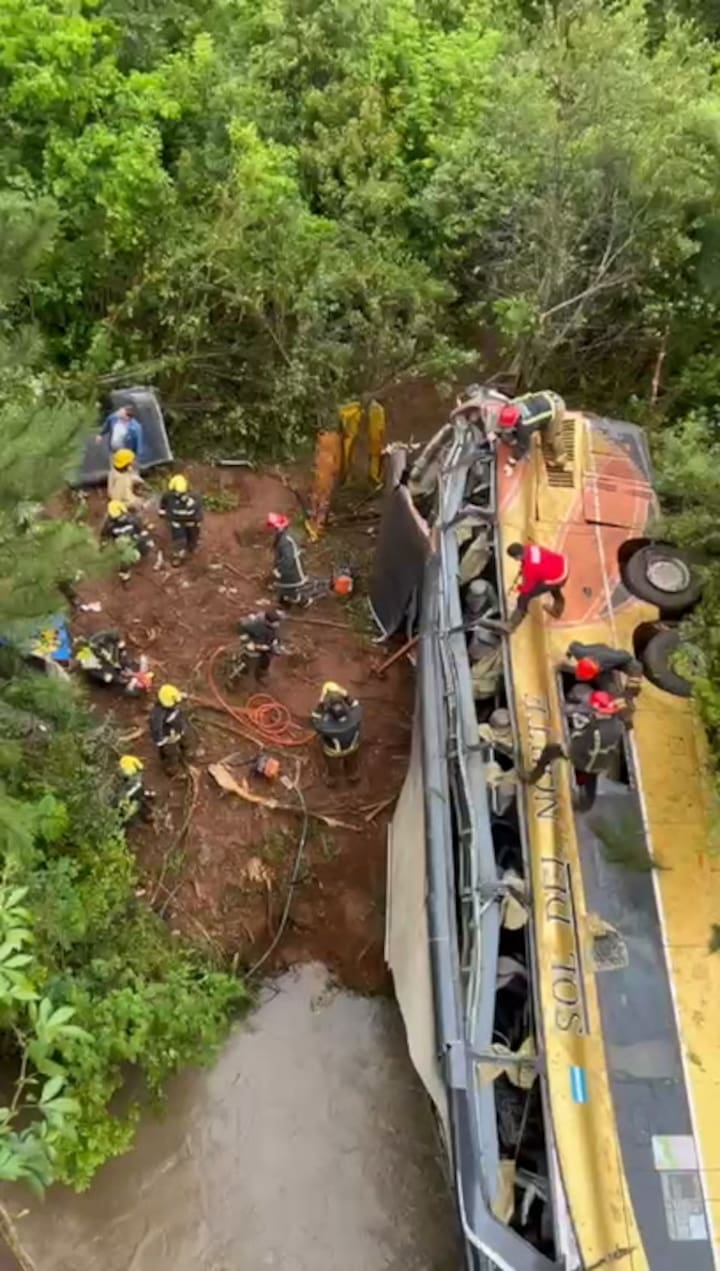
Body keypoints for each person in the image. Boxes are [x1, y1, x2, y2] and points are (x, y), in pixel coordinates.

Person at [521, 689, 626, 810]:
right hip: (602, 762)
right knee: (590, 781)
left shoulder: (595, 731)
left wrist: (568, 741)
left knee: (550, 750)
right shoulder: (618, 725)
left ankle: (533, 776)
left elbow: (577, 747)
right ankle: (585, 805)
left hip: (585, 760)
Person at [496, 391, 568, 472]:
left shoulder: (526, 424)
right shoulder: (511, 404)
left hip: (556, 406)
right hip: (544, 396)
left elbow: (522, 446)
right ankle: (543, 423)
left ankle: (561, 459)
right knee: (541, 427)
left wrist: (511, 464)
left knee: (551, 437)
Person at [506, 541, 569, 631]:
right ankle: (557, 611)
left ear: (517, 557)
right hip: (560, 564)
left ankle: (512, 624)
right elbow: (529, 563)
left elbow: (526, 589)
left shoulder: (531, 568)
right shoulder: (530, 547)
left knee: (524, 597)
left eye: (514, 558)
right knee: (551, 585)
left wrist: (520, 589)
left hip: (558, 577)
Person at [311, 681, 362, 786]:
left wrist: (321, 702)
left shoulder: (327, 727)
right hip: (352, 747)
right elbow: (355, 704)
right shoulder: (356, 716)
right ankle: (353, 775)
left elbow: (315, 718)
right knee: (352, 762)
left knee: (332, 766)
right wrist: (345, 694)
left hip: (334, 752)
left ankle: (332, 780)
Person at [561, 641, 643, 703]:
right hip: (600, 665)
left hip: (611, 663)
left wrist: (632, 685)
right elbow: (573, 645)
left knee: (636, 667)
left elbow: (627, 656)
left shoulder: (611, 658)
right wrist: (568, 655)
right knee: (612, 691)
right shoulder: (580, 652)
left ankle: (629, 695)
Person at [74, 630, 152, 694]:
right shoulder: (86, 659)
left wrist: (123, 652)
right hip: (101, 668)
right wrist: (114, 678)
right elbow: (94, 672)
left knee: (123, 662)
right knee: (108, 679)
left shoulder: (103, 638)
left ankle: (123, 668)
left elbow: (116, 638)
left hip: (111, 658)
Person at [101, 501, 154, 580]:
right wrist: (103, 546)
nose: (120, 519)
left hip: (135, 539)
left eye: (121, 516)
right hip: (122, 545)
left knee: (147, 545)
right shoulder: (109, 525)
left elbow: (142, 530)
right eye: (116, 517)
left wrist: (146, 538)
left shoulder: (133, 519)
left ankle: (141, 554)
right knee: (129, 556)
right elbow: (104, 536)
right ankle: (124, 570)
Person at [266, 512, 310, 605]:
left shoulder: (285, 541)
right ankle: (284, 599)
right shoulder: (285, 536)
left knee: (290, 588)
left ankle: (303, 601)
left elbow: (288, 559)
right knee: (285, 587)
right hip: (289, 568)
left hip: (292, 570)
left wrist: (279, 570)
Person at [159, 475, 203, 562]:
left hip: (192, 521)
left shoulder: (195, 496)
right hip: (177, 522)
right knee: (179, 540)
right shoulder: (168, 495)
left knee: (193, 537)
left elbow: (198, 510)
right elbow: (163, 505)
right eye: (176, 492)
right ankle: (178, 556)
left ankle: (192, 548)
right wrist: (162, 512)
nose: (178, 494)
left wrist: (197, 521)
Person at [149, 684, 192, 773]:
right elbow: (156, 729)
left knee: (186, 740)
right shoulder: (158, 714)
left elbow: (176, 696)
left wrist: (182, 696)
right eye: (175, 703)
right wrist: (161, 740)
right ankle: (171, 769)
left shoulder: (171, 697)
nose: (177, 704)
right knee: (172, 754)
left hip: (179, 728)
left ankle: (187, 752)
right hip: (169, 736)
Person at [234, 609, 284, 684]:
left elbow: (273, 635)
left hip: (266, 646)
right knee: (249, 660)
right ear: (268, 622)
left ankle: (261, 673)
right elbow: (242, 628)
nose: (278, 624)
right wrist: (248, 643)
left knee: (267, 658)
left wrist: (275, 641)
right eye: (276, 623)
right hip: (255, 645)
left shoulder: (273, 628)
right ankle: (238, 675)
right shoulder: (257, 626)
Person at [117, 754, 155, 824]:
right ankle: (148, 814)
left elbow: (120, 775)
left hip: (128, 783)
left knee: (136, 798)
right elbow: (141, 767)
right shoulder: (131, 758)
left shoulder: (120, 763)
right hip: (135, 779)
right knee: (140, 796)